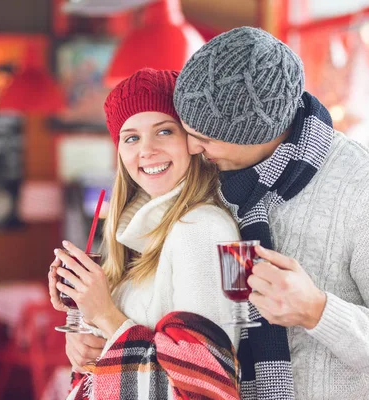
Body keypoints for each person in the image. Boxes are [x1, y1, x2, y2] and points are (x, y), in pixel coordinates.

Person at [170, 26, 369, 399]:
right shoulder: (208, 175)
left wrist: (317, 311)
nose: (190, 147)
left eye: (205, 137)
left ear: (258, 132)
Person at [48, 68, 242, 399]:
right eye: (132, 137)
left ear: (192, 142)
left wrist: (105, 315)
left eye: (164, 131)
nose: (146, 150)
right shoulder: (147, 232)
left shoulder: (205, 229)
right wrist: (85, 333)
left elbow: (205, 387)